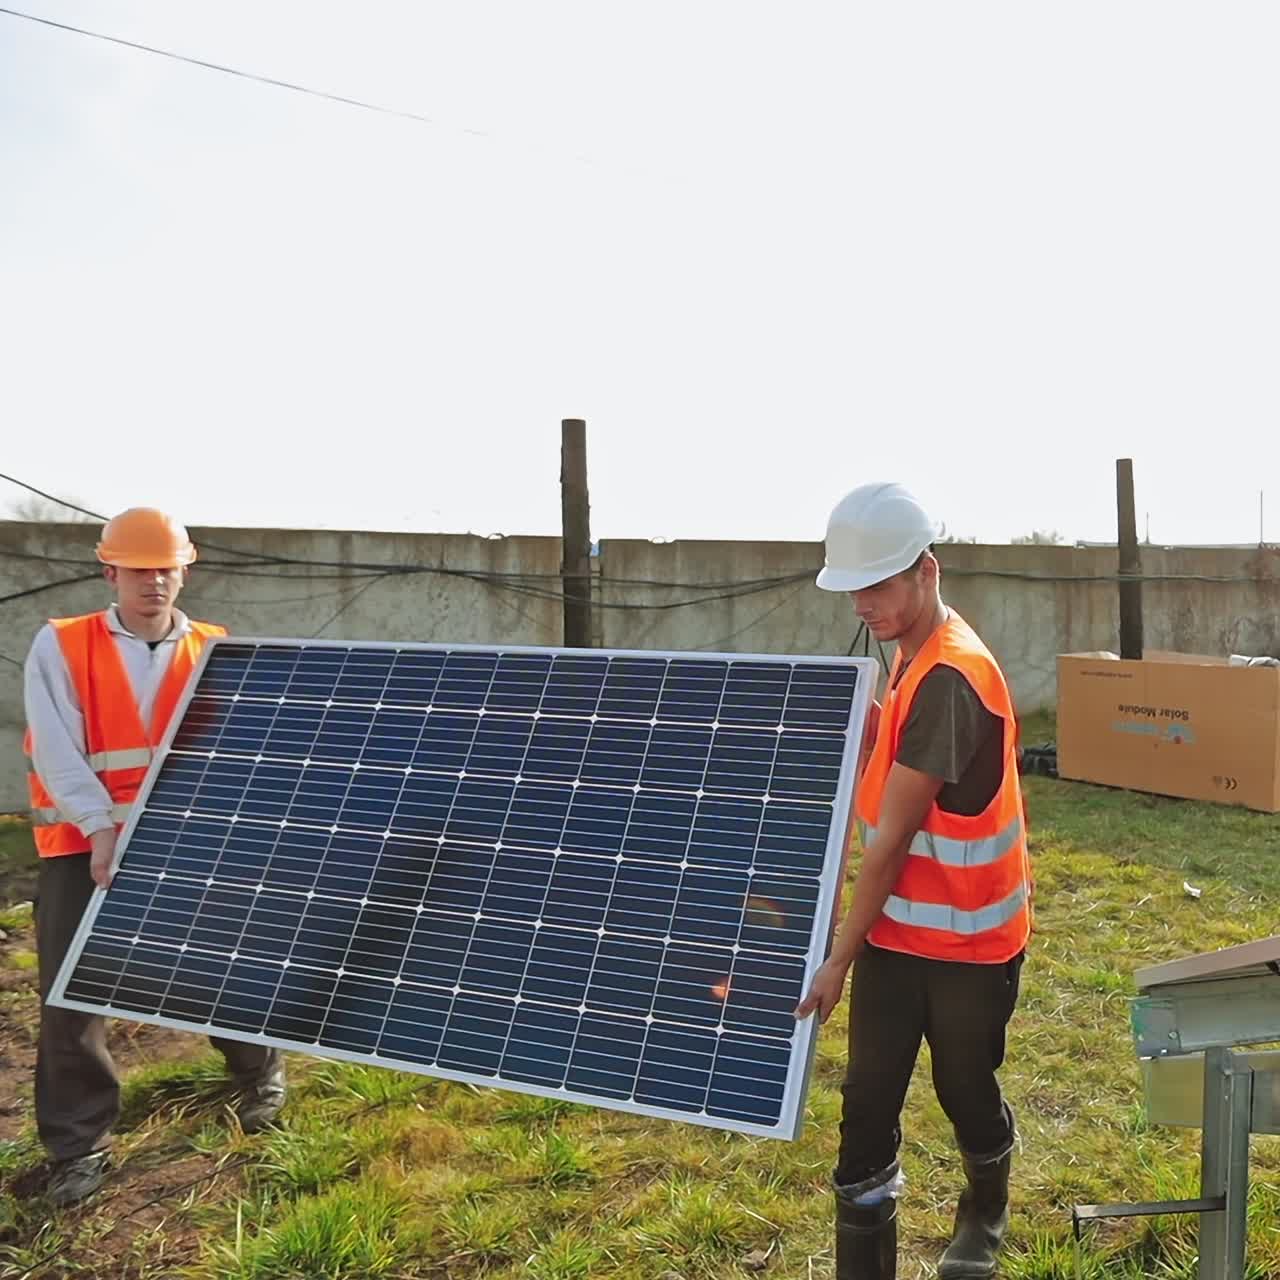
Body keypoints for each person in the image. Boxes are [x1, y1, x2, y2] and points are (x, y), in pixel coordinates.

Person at [796, 483, 1032, 1280]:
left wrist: (837, 957)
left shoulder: (951, 679)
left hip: (969, 941)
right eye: (854, 588)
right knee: (866, 1103)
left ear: (926, 571)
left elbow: (892, 835)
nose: (864, 602)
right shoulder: (910, 654)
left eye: (879, 585)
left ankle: (986, 1209)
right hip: (898, 934)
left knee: (964, 1088)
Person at [23, 507, 286, 1207]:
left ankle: (258, 1075)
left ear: (184, 569)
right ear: (110, 571)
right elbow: (56, 748)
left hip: (189, 842)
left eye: (167, 567)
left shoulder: (214, 647)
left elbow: (235, 755)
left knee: (224, 960)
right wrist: (101, 829)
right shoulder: (63, 645)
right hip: (84, 844)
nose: (155, 581)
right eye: (140, 569)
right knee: (71, 994)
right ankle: (78, 1146)